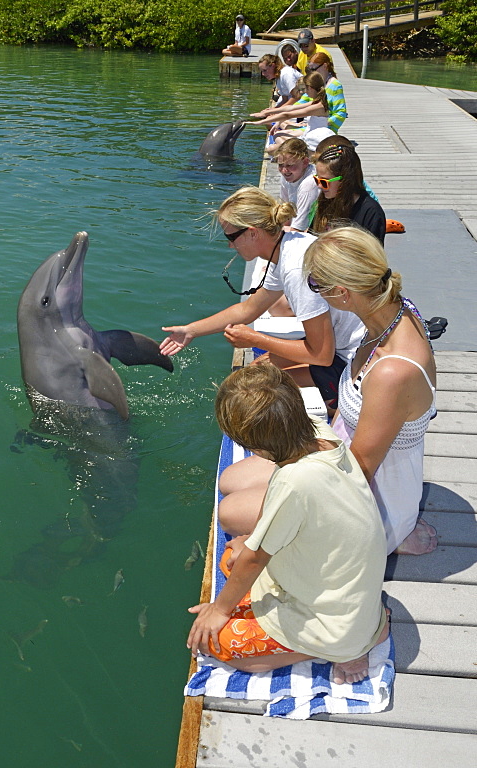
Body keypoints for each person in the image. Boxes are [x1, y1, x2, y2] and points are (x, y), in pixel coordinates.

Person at [187, 360, 388, 683]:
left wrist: (220, 610)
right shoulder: (318, 432)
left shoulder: (295, 483)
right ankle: (354, 635)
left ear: (259, 448)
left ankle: (343, 649)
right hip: (345, 592)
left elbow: (254, 559)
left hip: (336, 623)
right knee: (233, 557)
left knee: (220, 643)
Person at [159, 186, 364, 408]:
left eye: (231, 237)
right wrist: (191, 330)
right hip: (343, 349)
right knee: (255, 370)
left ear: (252, 232)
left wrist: (254, 339)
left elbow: (322, 355)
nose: (229, 245)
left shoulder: (296, 269)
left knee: (250, 390)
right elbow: (249, 309)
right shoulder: (289, 245)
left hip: (356, 363)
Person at [303, 227, 438, 556]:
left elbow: (357, 472)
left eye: (315, 284)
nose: (314, 292)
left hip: (371, 502)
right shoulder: (394, 311)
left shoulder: (392, 372)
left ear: (343, 294)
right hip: (344, 457)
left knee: (239, 509)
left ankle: (396, 536)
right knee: (237, 481)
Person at [310, 137, 386, 243]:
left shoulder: (370, 212)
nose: (319, 186)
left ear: (345, 180)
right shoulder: (325, 201)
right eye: (317, 179)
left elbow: (372, 256)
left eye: (324, 182)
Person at [276, 138, 319, 231]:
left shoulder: (309, 184)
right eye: (280, 165)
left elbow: (299, 229)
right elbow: (285, 210)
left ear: (305, 162)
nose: (284, 170)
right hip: (297, 226)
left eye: (290, 165)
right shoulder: (287, 175)